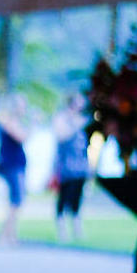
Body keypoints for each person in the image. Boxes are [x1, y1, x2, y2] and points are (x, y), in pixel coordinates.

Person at [53, 94, 90, 242]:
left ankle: (76, 229)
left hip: (81, 168)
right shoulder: (62, 119)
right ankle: (62, 230)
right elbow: (61, 136)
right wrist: (76, 125)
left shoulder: (83, 120)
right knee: (64, 198)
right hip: (66, 168)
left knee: (77, 199)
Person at [0, 96, 29, 246]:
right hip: (12, 166)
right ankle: (4, 236)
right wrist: (32, 125)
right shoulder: (8, 121)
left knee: (16, 202)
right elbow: (22, 137)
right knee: (16, 201)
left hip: (16, 166)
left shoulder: (12, 122)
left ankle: (11, 236)